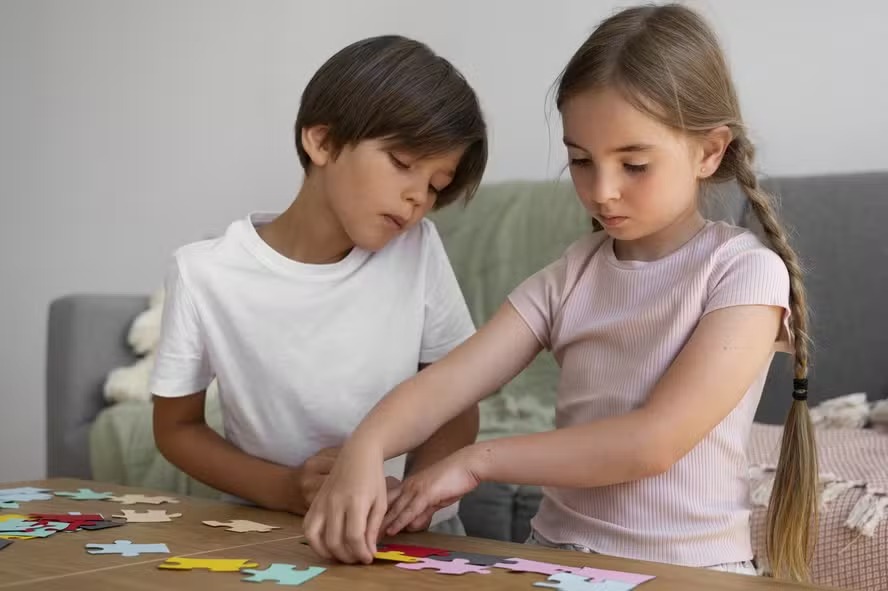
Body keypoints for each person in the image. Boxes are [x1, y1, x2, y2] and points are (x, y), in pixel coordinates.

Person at [305, 5, 817, 582]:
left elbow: (652, 443)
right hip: (552, 559)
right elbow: (449, 382)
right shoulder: (570, 275)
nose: (602, 192)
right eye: (580, 161)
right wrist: (367, 447)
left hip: (689, 570)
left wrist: (476, 461)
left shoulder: (744, 273)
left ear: (709, 151)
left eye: (635, 164)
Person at [150, 35, 488, 535]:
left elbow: (458, 405)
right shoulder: (205, 274)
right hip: (270, 527)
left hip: (408, 532)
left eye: (436, 186)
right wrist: (287, 489)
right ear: (323, 141)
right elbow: (176, 429)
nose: (418, 196)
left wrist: (414, 501)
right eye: (402, 163)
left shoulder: (418, 250)